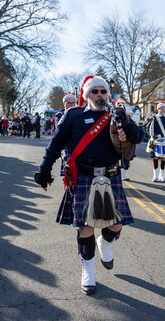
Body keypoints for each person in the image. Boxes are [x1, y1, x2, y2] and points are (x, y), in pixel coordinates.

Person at [34, 75, 143, 295]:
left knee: (116, 225)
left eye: (103, 91)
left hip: (111, 176)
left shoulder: (117, 114)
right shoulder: (72, 115)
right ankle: (88, 271)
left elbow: (140, 135)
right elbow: (55, 145)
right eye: (95, 91)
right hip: (83, 176)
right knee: (85, 227)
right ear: (86, 94)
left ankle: (105, 243)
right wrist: (45, 169)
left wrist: (131, 132)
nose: (100, 95)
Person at [146, 101, 165, 182]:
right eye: (160, 107)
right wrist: (153, 135)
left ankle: (162, 175)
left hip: (164, 140)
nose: (162, 109)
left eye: (163, 107)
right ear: (158, 109)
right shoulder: (154, 118)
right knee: (155, 157)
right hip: (155, 140)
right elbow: (147, 129)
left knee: (163, 158)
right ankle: (155, 175)